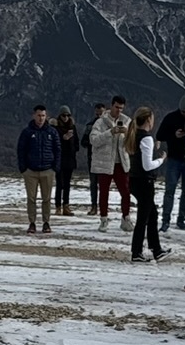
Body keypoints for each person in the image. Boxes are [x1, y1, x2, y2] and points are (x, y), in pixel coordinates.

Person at [128, 106, 171, 262]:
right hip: (144, 182)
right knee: (143, 217)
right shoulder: (146, 138)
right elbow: (147, 166)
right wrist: (161, 160)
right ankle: (136, 252)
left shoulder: (133, 135)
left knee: (152, 214)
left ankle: (156, 249)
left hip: (134, 179)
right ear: (148, 120)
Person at [88, 97, 135, 229]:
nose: (118, 110)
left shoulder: (127, 121)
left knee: (126, 192)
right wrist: (110, 132)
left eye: (121, 108)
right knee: (104, 192)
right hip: (104, 162)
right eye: (116, 107)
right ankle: (103, 219)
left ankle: (126, 218)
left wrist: (127, 133)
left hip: (121, 163)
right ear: (111, 106)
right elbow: (93, 140)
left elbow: (133, 142)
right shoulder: (100, 122)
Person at [17, 106, 62, 233]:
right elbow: (21, 150)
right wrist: (23, 168)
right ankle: (32, 223)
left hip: (48, 170)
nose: (41, 118)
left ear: (46, 116)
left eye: (43, 115)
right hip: (30, 171)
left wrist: (55, 167)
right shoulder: (27, 132)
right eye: (38, 115)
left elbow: (58, 150)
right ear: (34, 116)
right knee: (31, 198)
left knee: (46, 198)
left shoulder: (52, 132)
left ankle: (46, 222)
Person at [161, 95, 185, 230]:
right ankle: (165, 220)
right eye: (183, 112)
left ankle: (181, 219)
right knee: (170, 190)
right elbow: (160, 135)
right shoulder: (171, 118)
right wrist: (173, 135)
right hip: (174, 158)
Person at [53, 108, 80, 215]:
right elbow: (54, 144)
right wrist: (63, 139)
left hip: (70, 159)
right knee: (59, 183)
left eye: (67, 115)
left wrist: (72, 146)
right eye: (63, 115)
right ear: (60, 116)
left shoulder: (72, 127)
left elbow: (77, 143)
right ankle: (58, 206)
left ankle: (66, 206)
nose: (65, 118)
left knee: (67, 184)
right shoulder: (55, 128)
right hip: (59, 159)